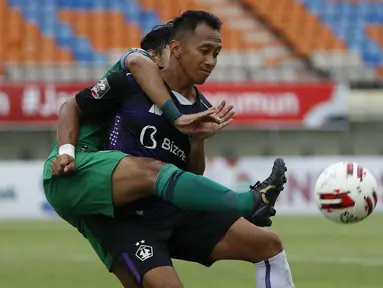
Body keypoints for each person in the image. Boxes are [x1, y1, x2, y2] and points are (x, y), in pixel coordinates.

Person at [48, 10, 294, 288]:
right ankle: (248, 202)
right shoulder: (133, 82)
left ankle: (250, 203)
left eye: (217, 53)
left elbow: (189, 175)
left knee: (268, 246)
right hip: (128, 218)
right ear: (174, 48)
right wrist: (66, 150)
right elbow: (74, 105)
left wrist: (197, 141)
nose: (211, 61)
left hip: (171, 211)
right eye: (204, 51)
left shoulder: (201, 110)